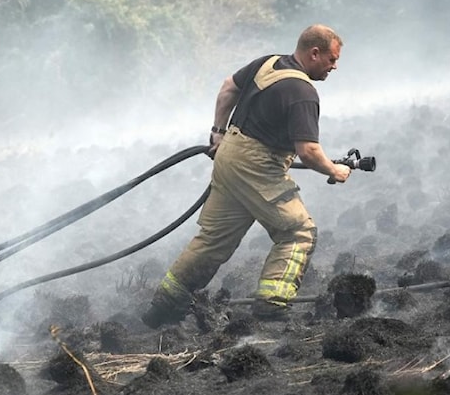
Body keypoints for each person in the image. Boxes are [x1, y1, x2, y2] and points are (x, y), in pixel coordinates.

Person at [141, 24, 351, 327]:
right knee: (297, 232)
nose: (335, 67)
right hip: (257, 166)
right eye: (332, 60)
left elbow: (229, 87)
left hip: (229, 157)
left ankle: (164, 306)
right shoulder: (303, 92)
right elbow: (307, 151)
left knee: (213, 240)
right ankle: (272, 306)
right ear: (314, 53)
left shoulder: (268, 63)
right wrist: (335, 170)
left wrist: (218, 132)